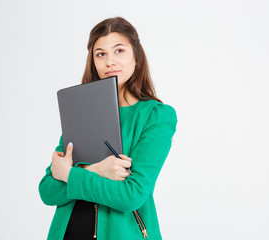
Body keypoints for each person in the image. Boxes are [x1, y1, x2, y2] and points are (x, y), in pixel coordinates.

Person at [39, 17, 177, 240]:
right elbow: (47, 190)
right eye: (100, 54)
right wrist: (97, 170)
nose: (109, 62)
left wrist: (70, 175)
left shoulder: (156, 116)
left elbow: (131, 195)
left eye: (119, 50)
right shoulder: (81, 111)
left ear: (136, 55)